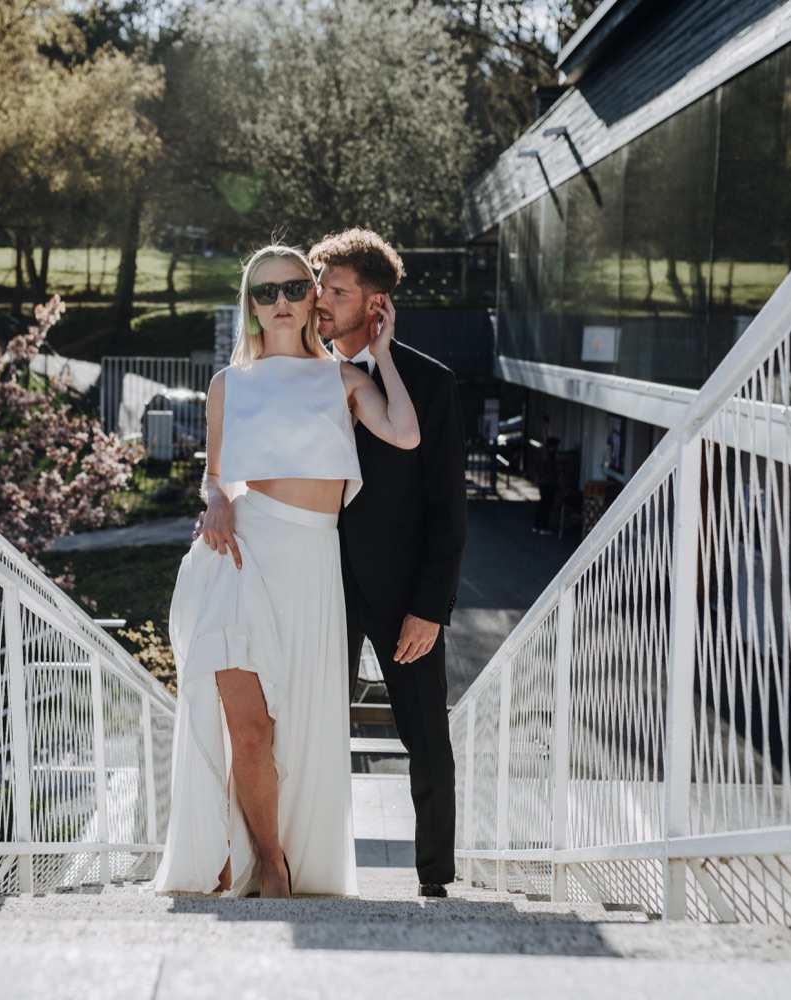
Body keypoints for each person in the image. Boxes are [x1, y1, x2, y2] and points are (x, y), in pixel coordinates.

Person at [154, 244, 419, 898]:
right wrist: (215, 500)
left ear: (312, 298)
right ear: (250, 304)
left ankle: (251, 853)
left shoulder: (342, 380)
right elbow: (215, 478)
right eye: (265, 291)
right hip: (237, 558)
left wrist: (381, 353)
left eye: (295, 288)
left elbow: (406, 433)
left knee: (294, 731)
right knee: (248, 726)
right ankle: (269, 865)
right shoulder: (228, 384)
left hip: (309, 565)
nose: (281, 301)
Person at [309, 228, 467, 899]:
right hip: (316, 583)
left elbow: (446, 509)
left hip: (405, 595)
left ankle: (435, 879)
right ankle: (307, 867)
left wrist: (431, 607)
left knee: (425, 737)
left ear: (374, 306)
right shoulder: (302, 374)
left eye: (336, 290)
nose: (319, 300)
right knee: (311, 731)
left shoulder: (432, 385)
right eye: (319, 284)